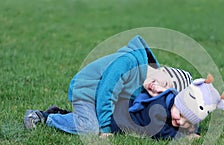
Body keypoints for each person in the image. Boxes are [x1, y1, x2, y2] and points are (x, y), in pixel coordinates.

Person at [24, 35, 193, 135]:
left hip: (102, 98)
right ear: (162, 69)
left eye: (162, 94)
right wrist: (105, 128)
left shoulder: (146, 88)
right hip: (87, 91)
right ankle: (44, 117)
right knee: (91, 128)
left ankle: (62, 113)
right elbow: (107, 89)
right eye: (164, 83)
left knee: (111, 118)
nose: (157, 89)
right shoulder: (130, 62)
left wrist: (186, 127)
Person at [111, 74, 224, 140]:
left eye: (187, 121)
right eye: (181, 115)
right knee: (117, 125)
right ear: (177, 103)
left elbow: (190, 120)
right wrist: (184, 136)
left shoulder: (175, 107)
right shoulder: (158, 108)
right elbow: (159, 132)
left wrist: (193, 129)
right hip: (120, 118)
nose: (180, 121)